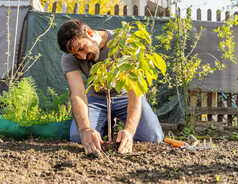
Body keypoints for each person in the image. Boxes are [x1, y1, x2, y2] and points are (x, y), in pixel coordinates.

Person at [57, 19, 164, 154]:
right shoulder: (69, 58)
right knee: (79, 138)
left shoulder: (124, 43)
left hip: (126, 97)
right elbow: (77, 93)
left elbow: (135, 91)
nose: (82, 57)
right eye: (76, 54)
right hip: (96, 99)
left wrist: (130, 131)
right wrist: (84, 130)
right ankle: (105, 125)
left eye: (81, 49)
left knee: (152, 137)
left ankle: (115, 127)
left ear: (89, 33)